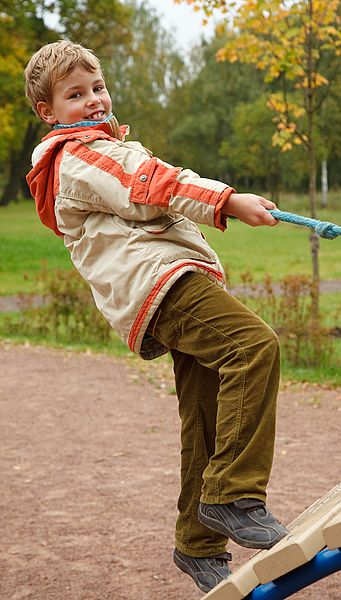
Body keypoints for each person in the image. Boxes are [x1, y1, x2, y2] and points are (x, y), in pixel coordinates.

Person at [24, 40, 288, 593]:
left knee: (206, 411)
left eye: (97, 87)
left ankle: (197, 543)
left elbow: (151, 176)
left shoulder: (98, 149)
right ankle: (232, 497)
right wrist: (227, 202)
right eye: (76, 95)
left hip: (157, 286)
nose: (94, 100)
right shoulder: (80, 154)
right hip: (161, 284)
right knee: (253, 346)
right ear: (49, 113)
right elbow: (152, 187)